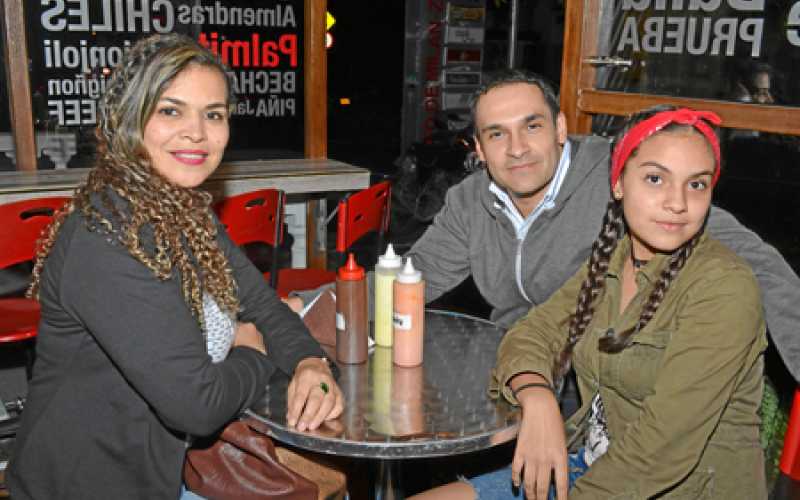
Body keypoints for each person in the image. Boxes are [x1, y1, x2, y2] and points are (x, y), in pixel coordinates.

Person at [7, 33, 343, 500]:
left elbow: (264, 305)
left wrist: (310, 361)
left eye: (214, 114)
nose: (197, 133)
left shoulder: (184, 211)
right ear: (129, 119)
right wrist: (255, 350)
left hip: (167, 469)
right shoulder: (108, 234)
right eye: (170, 110)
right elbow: (198, 407)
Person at [416, 106, 768, 499]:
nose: (678, 203)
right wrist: (538, 396)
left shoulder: (724, 288)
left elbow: (660, 454)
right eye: (655, 179)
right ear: (618, 183)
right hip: (590, 461)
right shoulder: (614, 259)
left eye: (697, 184)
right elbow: (531, 333)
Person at [401, 69, 800, 382]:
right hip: (517, 364)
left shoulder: (623, 177)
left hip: (594, 385)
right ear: (480, 149)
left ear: (559, 128)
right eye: (497, 134)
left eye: (532, 126)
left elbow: (753, 259)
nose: (517, 148)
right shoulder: (470, 200)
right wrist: (342, 319)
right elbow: (407, 281)